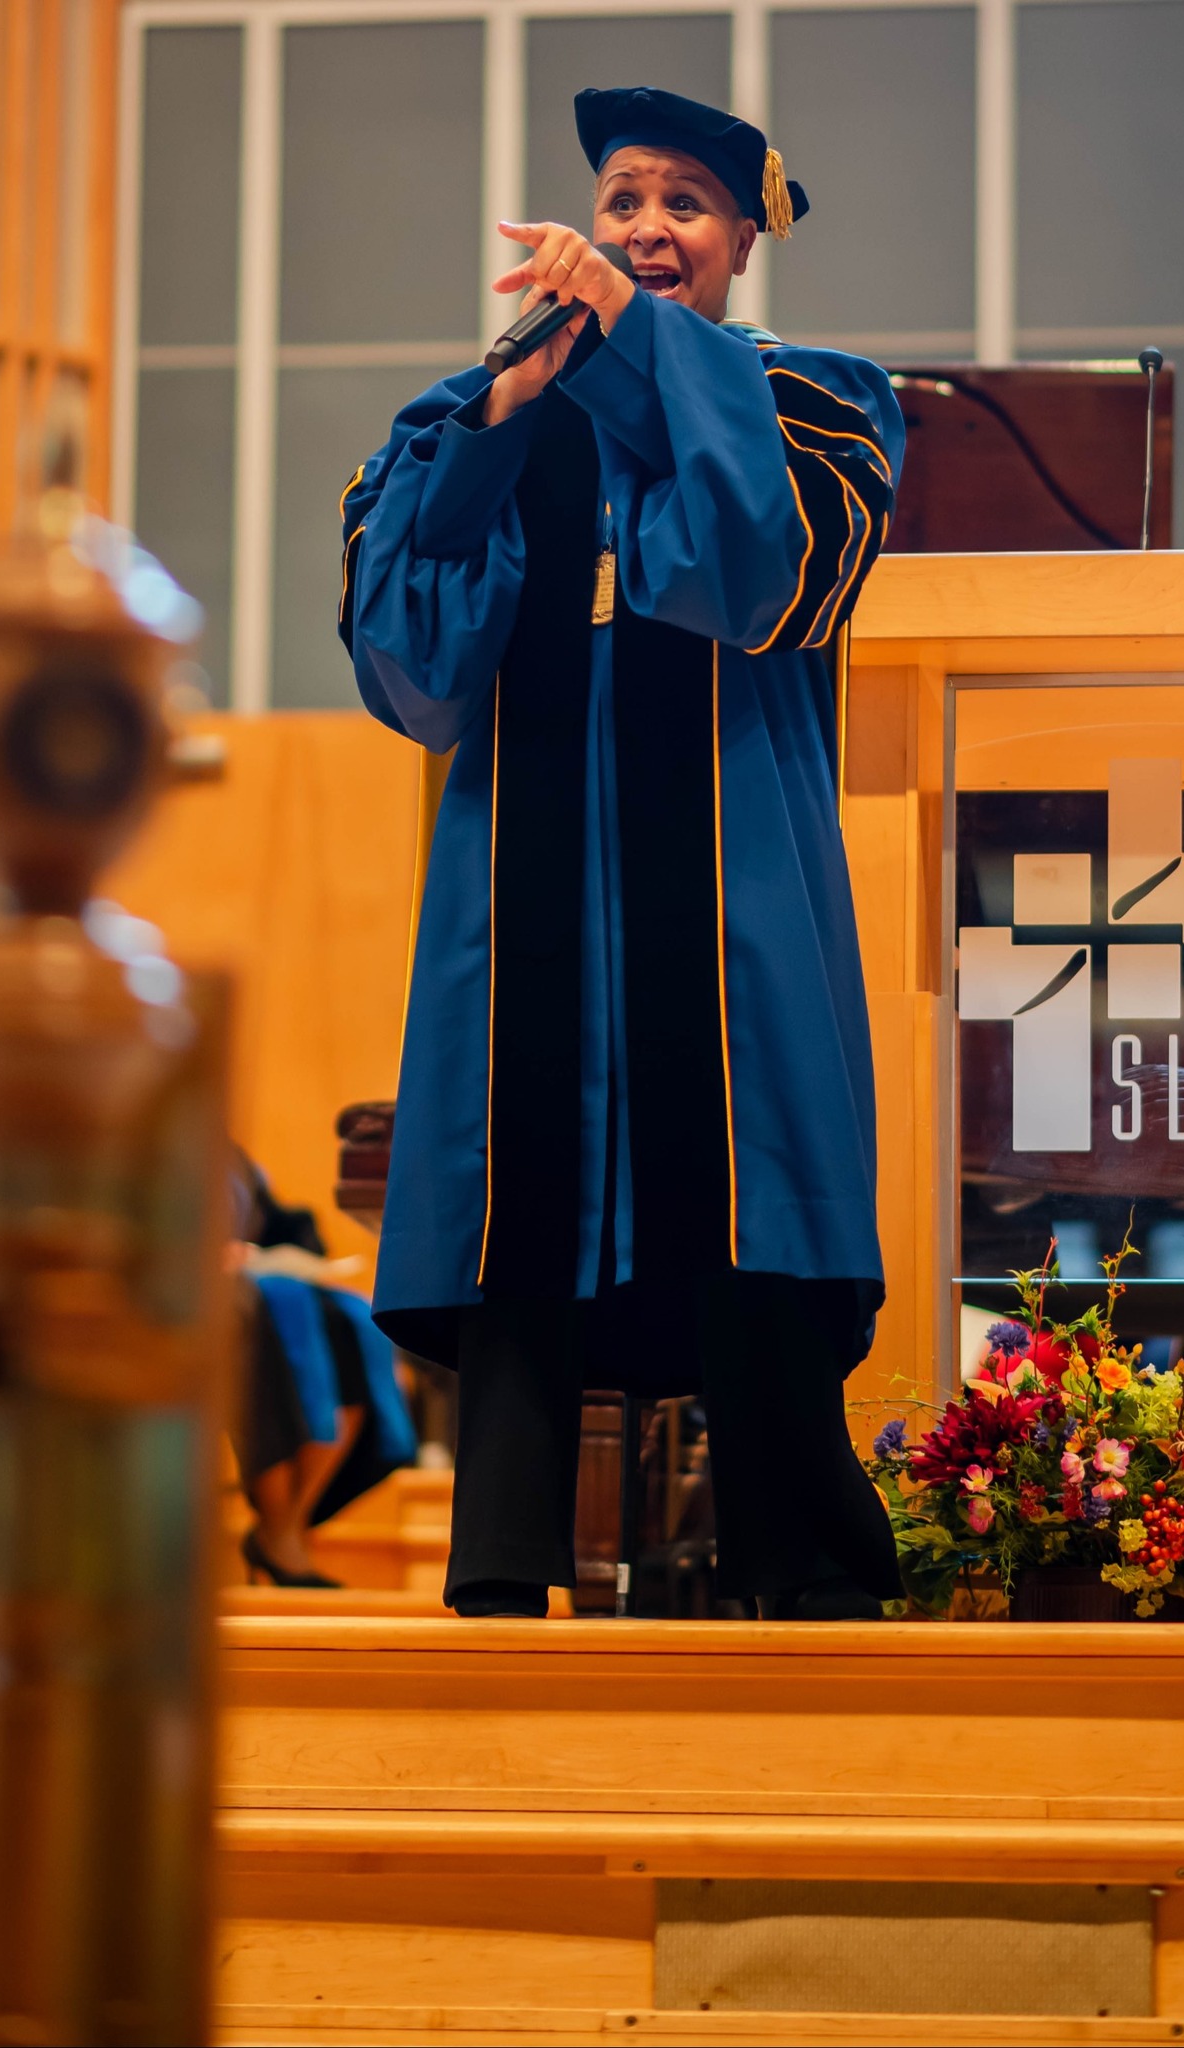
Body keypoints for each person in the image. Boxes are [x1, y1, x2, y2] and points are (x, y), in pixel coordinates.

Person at [341, 87, 903, 1619]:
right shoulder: (473, 412)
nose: (646, 228)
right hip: (526, 899)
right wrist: (501, 427)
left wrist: (636, 356)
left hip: (733, 895)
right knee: (526, 1183)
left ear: (741, 240)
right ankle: (509, 1569)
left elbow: (740, 576)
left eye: (684, 204)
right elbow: (417, 670)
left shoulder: (820, 406)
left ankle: (802, 1573)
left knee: (744, 1175)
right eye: (623, 199)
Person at [228, 1153, 416, 1586]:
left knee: (349, 1321)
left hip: (257, 1273)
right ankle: (278, 1528)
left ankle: (287, 1524)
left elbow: (277, 1220)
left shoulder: (231, 1156)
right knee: (263, 1325)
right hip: (213, 1291)